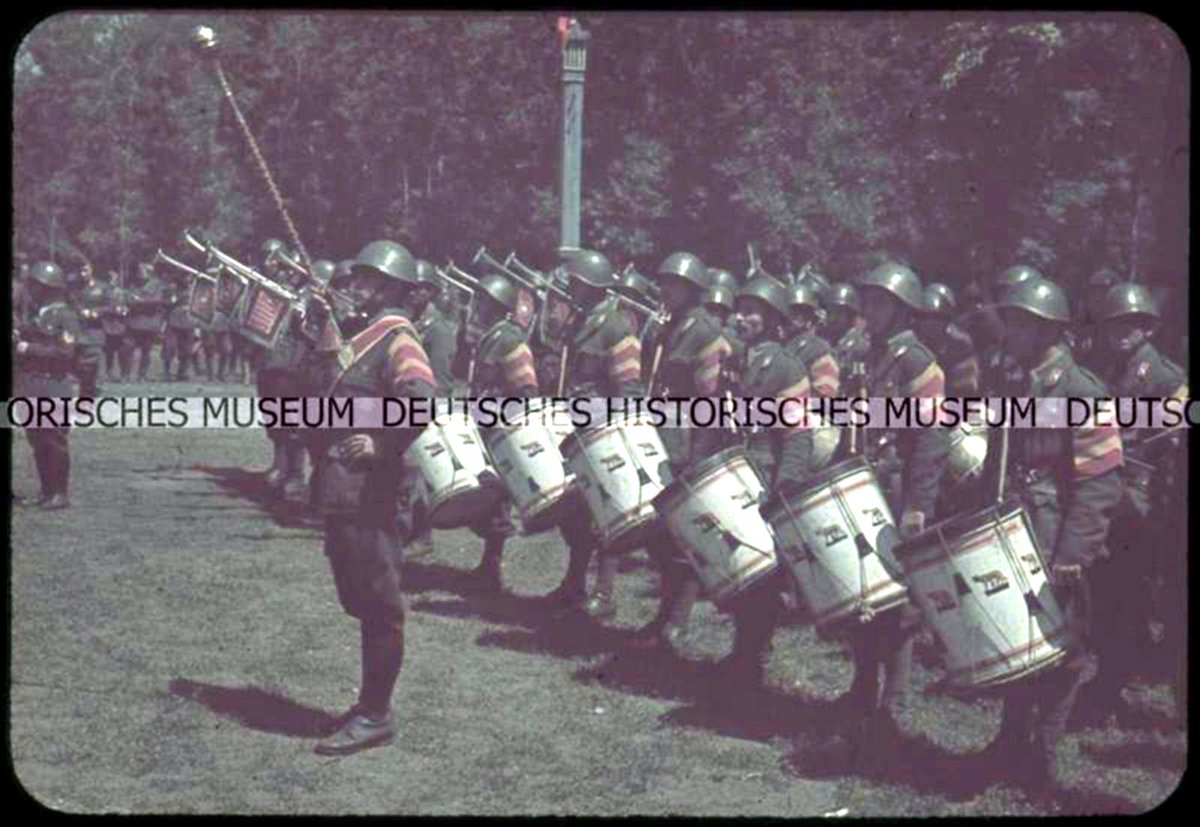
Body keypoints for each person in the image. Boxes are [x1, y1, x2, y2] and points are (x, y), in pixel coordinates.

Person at [979, 275, 1124, 801]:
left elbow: (1101, 479)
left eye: (1018, 323)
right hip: (1016, 526)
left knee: (1063, 654)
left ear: (1045, 330)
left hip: (1056, 533)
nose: (1008, 331)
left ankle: (1041, 758)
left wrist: (1073, 553)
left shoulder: (1081, 389)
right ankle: (1008, 744)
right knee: (1019, 641)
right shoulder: (1019, 381)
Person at [305, 239, 436, 756]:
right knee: (359, 599)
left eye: (366, 280)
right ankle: (369, 703)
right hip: (342, 488)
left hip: (372, 491)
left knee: (380, 604)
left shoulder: (399, 338)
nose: (355, 287)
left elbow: (421, 402)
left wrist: (381, 442)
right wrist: (319, 327)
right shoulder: (361, 338)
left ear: (389, 288)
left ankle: (376, 714)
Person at [848, 261, 950, 760]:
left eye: (879, 302)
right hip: (870, 483)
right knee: (866, 588)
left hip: (898, 486)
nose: (869, 309)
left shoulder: (918, 362)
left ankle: (896, 697)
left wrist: (918, 505)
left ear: (901, 308)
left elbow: (931, 440)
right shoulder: (875, 354)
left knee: (901, 601)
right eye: (866, 300)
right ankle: (863, 685)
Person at [1084, 282, 1187, 729]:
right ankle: (1106, 681)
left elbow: (1169, 447)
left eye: (1131, 325)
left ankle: (1111, 687)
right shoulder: (1105, 369)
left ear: (1147, 328)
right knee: (1104, 596)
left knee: (1128, 598)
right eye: (1114, 325)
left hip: (1141, 502)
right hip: (1107, 493)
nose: (1121, 333)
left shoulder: (1167, 379)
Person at [718, 275, 816, 687]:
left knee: (763, 577)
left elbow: (798, 434)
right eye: (739, 309)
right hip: (738, 469)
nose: (740, 318)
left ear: (773, 319)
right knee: (741, 570)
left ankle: (753, 660)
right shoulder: (740, 360)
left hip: (765, 472)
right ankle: (743, 652)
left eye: (751, 312)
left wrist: (786, 482)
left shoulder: (786, 366)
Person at [638, 251, 733, 653]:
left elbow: (711, 402)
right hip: (664, 442)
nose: (664, 290)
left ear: (692, 291)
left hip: (691, 445)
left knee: (685, 541)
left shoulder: (706, 334)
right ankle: (666, 615)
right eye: (663, 283)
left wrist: (698, 459)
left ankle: (677, 621)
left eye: (672, 285)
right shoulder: (667, 330)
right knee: (661, 539)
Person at [553, 249, 644, 618]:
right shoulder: (581, 320)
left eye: (575, 282)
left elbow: (628, 385)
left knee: (608, 512)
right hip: (577, 425)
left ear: (592, 286)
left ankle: (605, 594)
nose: (569, 287)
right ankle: (574, 583)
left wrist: (618, 432)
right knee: (574, 511)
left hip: (602, 430)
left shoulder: (616, 325)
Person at [455, 271, 538, 591]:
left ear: (498, 305)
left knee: (497, 501)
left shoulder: (510, 338)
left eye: (484, 302)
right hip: (486, 426)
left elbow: (526, 388)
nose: (478, 307)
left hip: (502, 430)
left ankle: (493, 570)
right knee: (490, 501)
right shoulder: (490, 336)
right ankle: (488, 566)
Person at [13, 262, 98, 509]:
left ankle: (60, 493)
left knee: (54, 441)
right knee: (37, 440)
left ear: (48, 288)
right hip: (31, 383)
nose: (32, 290)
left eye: (37, 286)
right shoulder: (38, 313)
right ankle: (46, 491)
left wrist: (28, 348)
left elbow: (65, 354)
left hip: (53, 384)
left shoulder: (66, 316)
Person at [915, 283, 980, 397]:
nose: (930, 323)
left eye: (937, 317)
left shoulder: (959, 346)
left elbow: (965, 391)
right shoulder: (912, 343)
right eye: (924, 316)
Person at [126, 262, 169, 382]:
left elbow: (156, 302)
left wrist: (140, 302)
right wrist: (142, 303)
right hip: (133, 323)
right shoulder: (133, 284)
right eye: (138, 271)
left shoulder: (157, 285)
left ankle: (142, 375)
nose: (139, 274)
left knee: (146, 350)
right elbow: (129, 300)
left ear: (149, 272)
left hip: (150, 323)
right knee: (128, 349)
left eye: (142, 271)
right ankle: (126, 375)